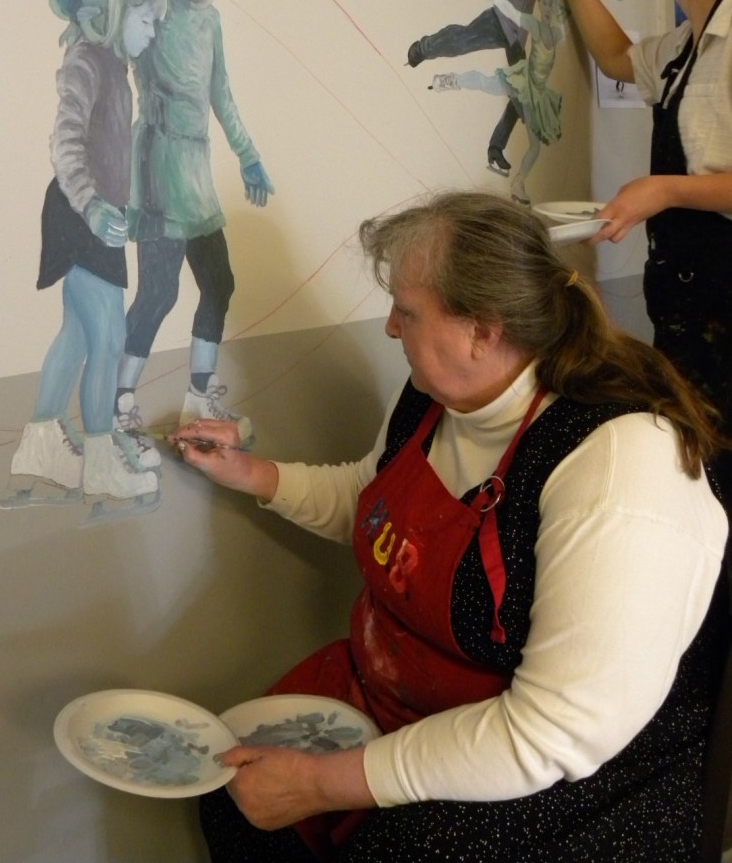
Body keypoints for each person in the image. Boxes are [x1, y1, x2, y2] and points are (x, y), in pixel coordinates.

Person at [171, 191, 729, 862]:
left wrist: (322, 783)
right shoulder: (437, 394)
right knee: (230, 792)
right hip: (401, 691)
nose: (390, 328)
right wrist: (250, 473)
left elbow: (553, 733)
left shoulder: (621, 464)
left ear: (483, 331)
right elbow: (376, 504)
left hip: (560, 761)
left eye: (406, 311)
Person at [52, 0, 274, 455]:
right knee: (159, 292)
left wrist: (248, 154)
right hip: (156, 167)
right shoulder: (148, 6)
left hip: (195, 171)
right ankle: (118, 398)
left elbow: (222, 94)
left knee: (219, 282)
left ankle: (200, 394)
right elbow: (99, 16)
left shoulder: (209, 20)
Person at [544, 0, 732, 509]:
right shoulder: (683, 46)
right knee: (701, 484)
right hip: (685, 311)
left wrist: (664, 190)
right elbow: (617, 57)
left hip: (724, 310)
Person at [12, 0, 166, 499]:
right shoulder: (87, 61)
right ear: (118, 10)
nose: (153, 31)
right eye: (146, 19)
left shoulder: (114, 67)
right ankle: (101, 459)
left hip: (94, 213)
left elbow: (113, 148)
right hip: (81, 213)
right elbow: (66, 140)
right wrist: (95, 205)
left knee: (77, 334)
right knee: (108, 335)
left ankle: (41, 442)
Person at [407, 0, 551, 176]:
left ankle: (496, 148)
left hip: (518, 36)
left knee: (520, 92)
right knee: (460, 41)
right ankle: (424, 47)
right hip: (499, 20)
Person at [431, 0, 566, 205]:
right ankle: (449, 80)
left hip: (538, 94)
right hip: (523, 83)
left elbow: (565, 20)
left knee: (535, 146)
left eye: (550, 3)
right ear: (539, 6)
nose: (548, 8)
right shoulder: (535, 25)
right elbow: (512, 12)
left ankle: (518, 183)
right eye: (544, 3)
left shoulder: (557, 33)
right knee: (486, 83)